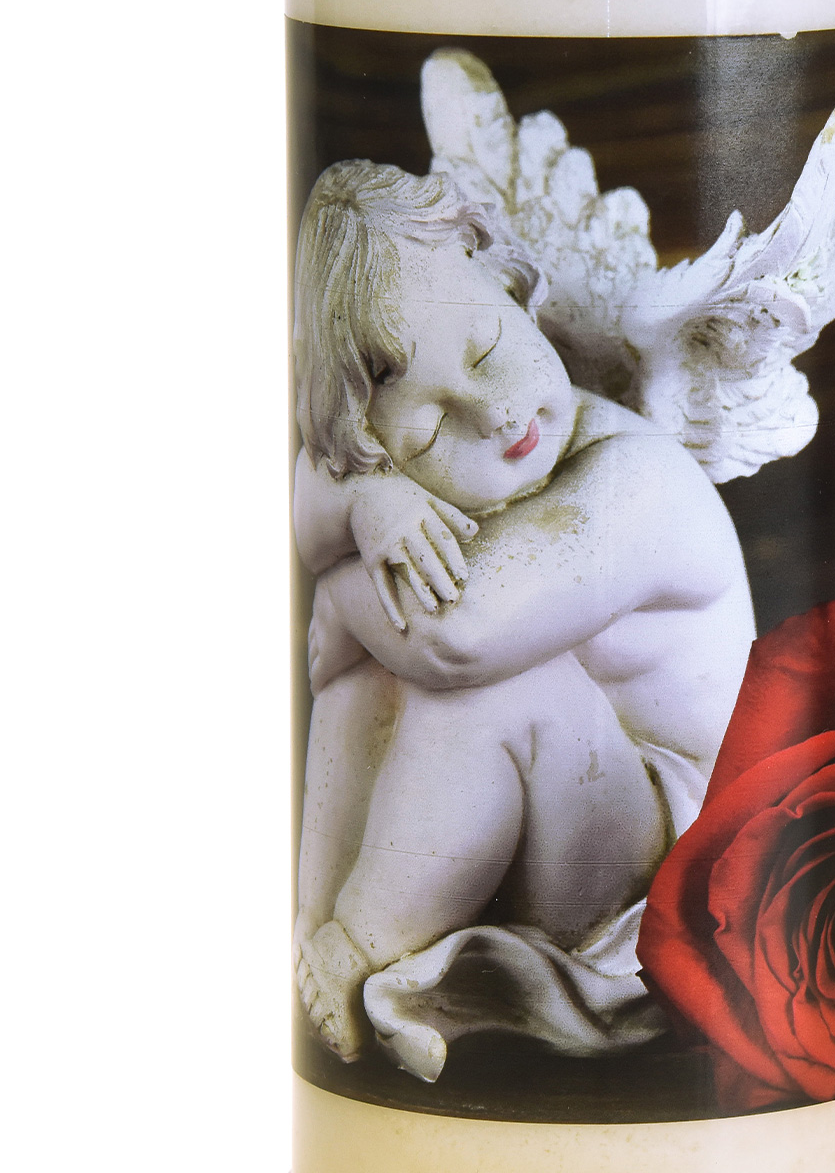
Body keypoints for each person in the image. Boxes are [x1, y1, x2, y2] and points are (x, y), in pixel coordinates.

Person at [291, 159, 755, 1078]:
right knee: (380, 649)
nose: (497, 413)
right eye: (428, 431)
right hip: (556, 822)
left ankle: (361, 946)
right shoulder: (402, 473)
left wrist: (340, 593)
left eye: (488, 350)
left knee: (493, 685)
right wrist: (368, 502)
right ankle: (310, 922)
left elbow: (461, 640)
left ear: (510, 287)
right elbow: (312, 485)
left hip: (664, 862)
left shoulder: (638, 483)